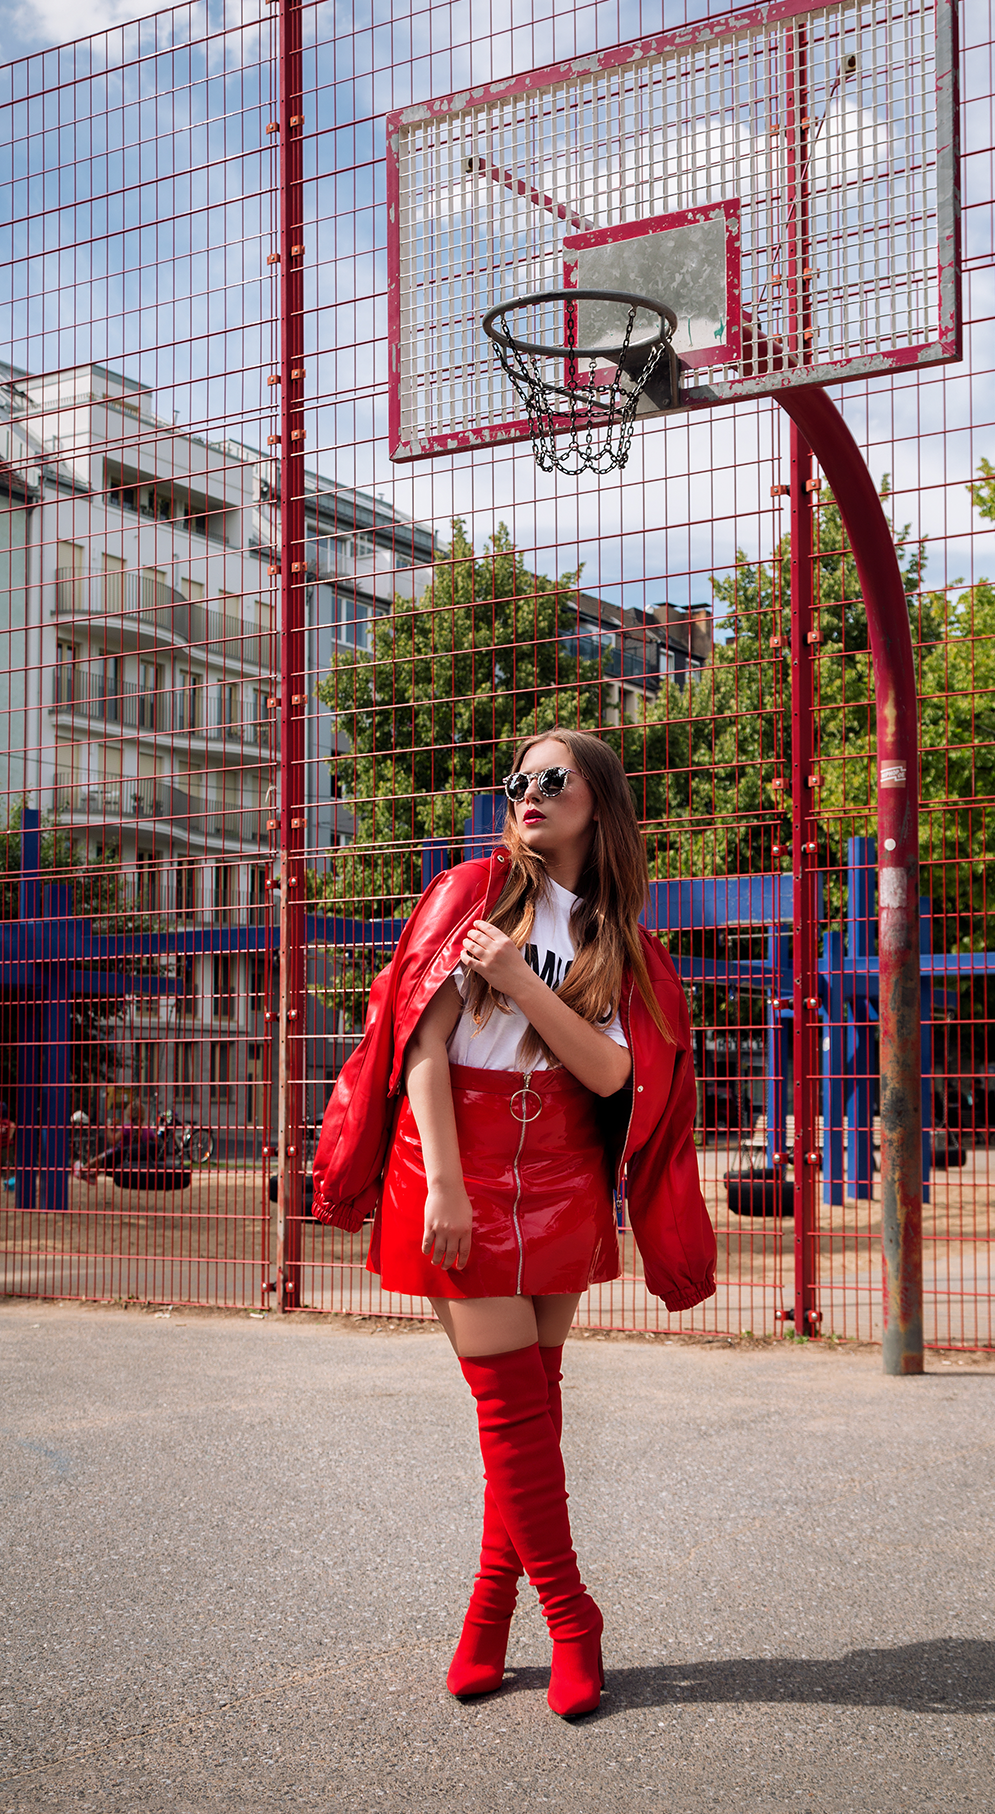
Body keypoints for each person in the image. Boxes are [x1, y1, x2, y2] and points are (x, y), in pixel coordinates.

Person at [311, 729, 716, 1720]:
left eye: (553, 778)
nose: (527, 793)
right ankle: (575, 1620)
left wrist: (527, 978)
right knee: (508, 1410)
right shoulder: (471, 893)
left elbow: (613, 1071)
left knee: (529, 1415)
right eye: (517, 780)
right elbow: (422, 1047)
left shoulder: (615, 938)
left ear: (598, 802)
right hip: (459, 1166)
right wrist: (445, 1185)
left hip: (565, 1172)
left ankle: (491, 1611)